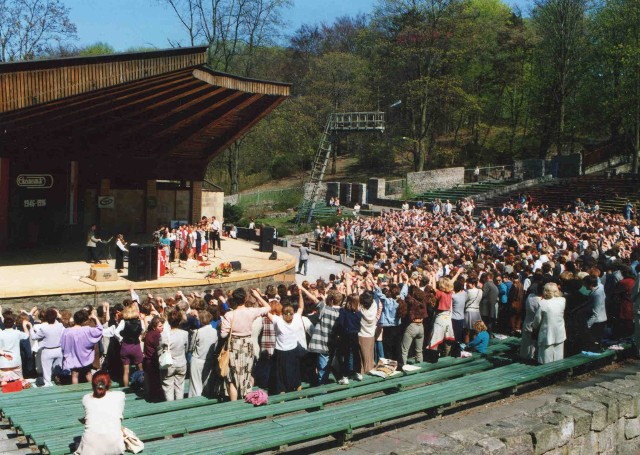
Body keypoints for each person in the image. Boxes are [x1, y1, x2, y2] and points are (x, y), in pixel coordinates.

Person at [220, 288, 270, 401]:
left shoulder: (229, 315)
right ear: (245, 298)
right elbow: (268, 308)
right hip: (247, 344)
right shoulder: (251, 311)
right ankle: (246, 401)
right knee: (247, 375)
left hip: (234, 345)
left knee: (232, 378)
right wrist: (258, 296)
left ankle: (234, 406)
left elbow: (223, 335)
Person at [75, 370, 126, 455]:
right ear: (109, 384)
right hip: (115, 447)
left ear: (92, 385)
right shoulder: (120, 395)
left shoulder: (86, 398)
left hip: (89, 450)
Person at [267, 293, 305, 394]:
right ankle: (298, 391)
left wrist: (258, 298)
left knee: (280, 374)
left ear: (282, 313)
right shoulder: (297, 318)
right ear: (292, 312)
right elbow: (301, 307)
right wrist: (300, 293)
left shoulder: (278, 321)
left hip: (281, 351)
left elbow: (267, 312)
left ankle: (282, 393)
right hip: (293, 349)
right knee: (295, 371)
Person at [60, 309, 103, 384]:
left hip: (73, 357)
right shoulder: (87, 330)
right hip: (85, 356)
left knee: (74, 375)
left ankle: (75, 393)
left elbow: (63, 345)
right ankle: (94, 389)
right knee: (88, 373)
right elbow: (100, 329)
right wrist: (95, 318)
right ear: (84, 320)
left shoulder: (67, 331)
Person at [531, 282, 566, 364]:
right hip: (559, 332)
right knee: (559, 356)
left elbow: (537, 320)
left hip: (546, 333)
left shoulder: (543, 303)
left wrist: (534, 327)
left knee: (545, 358)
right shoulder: (562, 301)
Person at [30, 308, 64, 386]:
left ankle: (48, 386)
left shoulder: (44, 328)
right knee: (57, 371)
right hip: (58, 350)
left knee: (47, 373)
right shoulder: (60, 325)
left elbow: (34, 337)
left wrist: (31, 329)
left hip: (47, 351)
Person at [160, 308, 188, 401]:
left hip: (169, 364)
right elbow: (187, 348)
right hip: (181, 362)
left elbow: (159, 350)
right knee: (180, 387)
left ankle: (170, 406)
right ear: (180, 321)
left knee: (168, 388)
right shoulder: (185, 333)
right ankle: (179, 406)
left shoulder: (164, 335)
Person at [188, 310, 218, 398]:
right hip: (209, 359)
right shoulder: (215, 331)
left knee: (195, 384)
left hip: (197, 359)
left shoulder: (197, 332)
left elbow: (191, 347)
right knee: (206, 382)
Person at [0, 313, 29, 383]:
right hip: (16, 361)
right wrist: (25, 326)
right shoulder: (17, 333)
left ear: (4, 324)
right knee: (20, 379)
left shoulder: (1, 334)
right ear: (13, 324)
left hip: (4, 362)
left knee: (4, 381)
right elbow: (27, 336)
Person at [118, 304, 143, 388]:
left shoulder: (123, 322)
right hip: (136, 345)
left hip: (125, 346)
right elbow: (143, 330)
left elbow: (116, 332)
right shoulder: (139, 321)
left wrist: (121, 339)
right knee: (140, 368)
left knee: (126, 371)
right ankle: (141, 385)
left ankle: (126, 388)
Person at [142, 316, 164, 402]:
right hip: (153, 361)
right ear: (154, 327)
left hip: (148, 361)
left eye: (162, 326)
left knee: (151, 382)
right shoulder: (156, 335)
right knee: (156, 382)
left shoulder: (149, 333)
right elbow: (158, 348)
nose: (162, 327)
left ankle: (151, 396)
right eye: (160, 326)